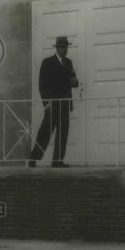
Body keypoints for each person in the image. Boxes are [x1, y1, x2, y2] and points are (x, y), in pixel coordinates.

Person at [28, 35, 79, 168]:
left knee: (63, 133)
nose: (65, 49)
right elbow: (42, 85)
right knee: (44, 132)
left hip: (65, 104)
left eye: (66, 47)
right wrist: (46, 103)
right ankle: (33, 158)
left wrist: (75, 82)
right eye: (62, 47)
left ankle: (57, 161)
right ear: (57, 48)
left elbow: (74, 81)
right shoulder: (48, 62)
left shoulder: (69, 62)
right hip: (52, 105)